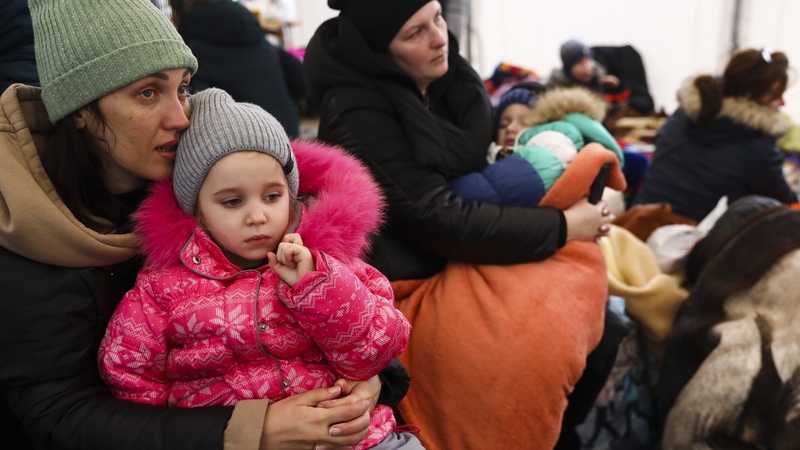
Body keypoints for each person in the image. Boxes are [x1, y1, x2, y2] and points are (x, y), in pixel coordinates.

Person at [0, 1, 405, 449]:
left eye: (183, 88)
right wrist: (255, 430)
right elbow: (58, 413)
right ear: (79, 108)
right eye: (148, 93)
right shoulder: (22, 230)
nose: (180, 118)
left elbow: (363, 324)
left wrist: (368, 387)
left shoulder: (209, 182)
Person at [304, 1, 625, 449]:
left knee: (605, 325)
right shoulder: (357, 109)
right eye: (414, 32)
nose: (439, 37)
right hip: (406, 275)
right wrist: (563, 227)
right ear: (379, 50)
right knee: (553, 344)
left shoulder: (448, 81)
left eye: (437, 17)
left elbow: (471, 188)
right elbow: (438, 217)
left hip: (458, 250)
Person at [97, 88, 419, 450]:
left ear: (292, 194)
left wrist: (320, 286)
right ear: (196, 210)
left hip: (358, 441)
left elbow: (377, 350)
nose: (257, 216)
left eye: (272, 196)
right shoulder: (161, 289)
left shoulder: (332, 263)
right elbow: (131, 378)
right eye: (232, 202)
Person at [635, 48, 797, 222]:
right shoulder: (758, 146)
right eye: (776, 96)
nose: (782, 103)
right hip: (694, 241)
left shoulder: (684, 114)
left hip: (639, 220)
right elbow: (786, 201)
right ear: (753, 95)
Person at [169, 0, 304, 137]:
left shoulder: (194, 53)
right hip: (288, 130)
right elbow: (299, 77)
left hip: (249, 141)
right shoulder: (257, 38)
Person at [548, 39, 620, 92]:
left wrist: (615, 88)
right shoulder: (557, 90)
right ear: (568, 68)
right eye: (579, 62)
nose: (587, 66)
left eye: (589, 60)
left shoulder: (599, 80)